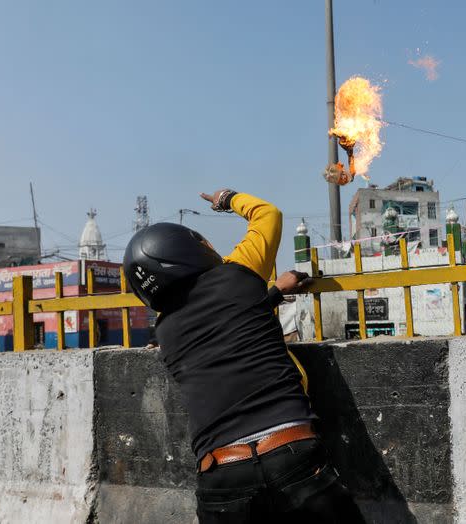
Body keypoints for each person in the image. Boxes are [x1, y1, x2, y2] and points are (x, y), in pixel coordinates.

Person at [123, 189, 364, 523]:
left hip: (221, 478)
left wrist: (272, 295)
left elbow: (223, 327)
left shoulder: (165, 333)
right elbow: (268, 214)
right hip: (292, 455)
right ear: (189, 249)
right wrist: (226, 197)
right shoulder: (239, 274)